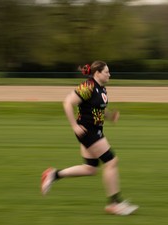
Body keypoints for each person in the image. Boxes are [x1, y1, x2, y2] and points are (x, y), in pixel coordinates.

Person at [41, 60, 138, 216]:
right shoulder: (88, 86)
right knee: (111, 161)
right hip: (87, 132)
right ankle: (114, 203)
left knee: (90, 169)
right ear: (97, 73)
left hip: (95, 131)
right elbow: (67, 102)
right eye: (107, 72)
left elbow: (98, 108)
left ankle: (54, 174)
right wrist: (73, 125)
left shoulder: (101, 88)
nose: (109, 74)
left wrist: (110, 116)